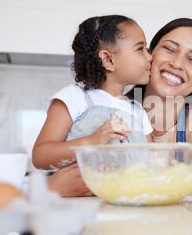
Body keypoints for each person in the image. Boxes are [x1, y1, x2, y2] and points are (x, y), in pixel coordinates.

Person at [48, 18, 192, 196]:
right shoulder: (99, 106)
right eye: (169, 49)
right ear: (150, 56)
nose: (177, 64)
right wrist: (52, 187)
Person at [32, 15, 153, 172]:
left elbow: (152, 163)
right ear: (108, 60)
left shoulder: (138, 111)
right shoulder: (74, 98)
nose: (150, 57)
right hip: (83, 196)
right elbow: (40, 157)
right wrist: (91, 141)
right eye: (140, 49)